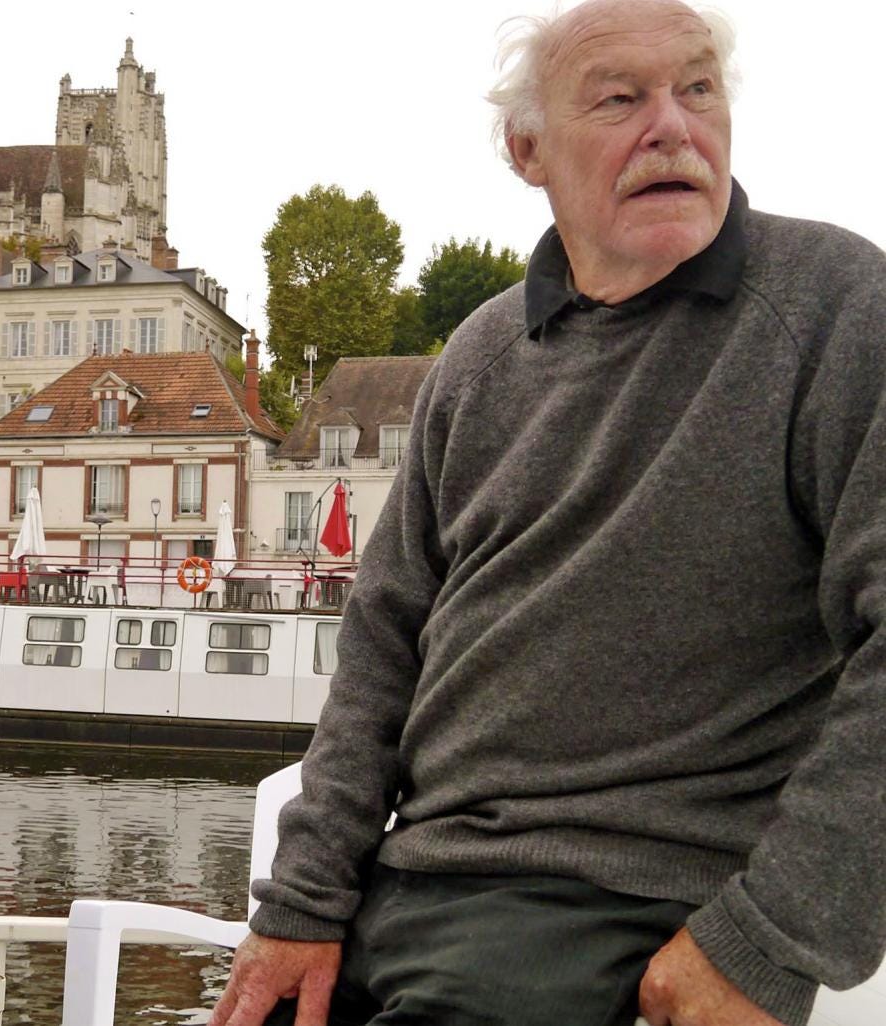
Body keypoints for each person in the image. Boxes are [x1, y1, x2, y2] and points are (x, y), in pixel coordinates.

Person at [213, 2, 886, 1025]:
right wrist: (303, 900)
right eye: (621, 98)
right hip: (403, 888)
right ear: (527, 150)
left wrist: (767, 939)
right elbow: (382, 647)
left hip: (626, 904)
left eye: (697, 88)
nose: (673, 124)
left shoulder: (834, 309)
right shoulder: (477, 359)